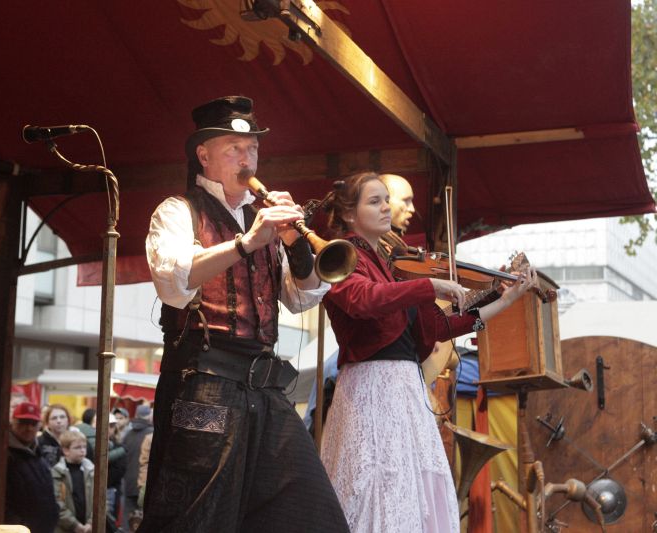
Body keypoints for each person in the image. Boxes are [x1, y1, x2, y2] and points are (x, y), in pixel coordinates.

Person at [141, 95, 349, 532]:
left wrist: (295, 244)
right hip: (204, 383)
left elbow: (302, 297)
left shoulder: (263, 220)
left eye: (252, 148)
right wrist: (245, 242)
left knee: (313, 515)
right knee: (197, 518)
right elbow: (173, 282)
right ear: (204, 155)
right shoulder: (178, 211)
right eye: (234, 148)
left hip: (265, 386)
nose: (246, 158)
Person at [319, 171, 538, 532]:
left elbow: (438, 329)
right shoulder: (341, 255)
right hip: (372, 389)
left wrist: (503, 300)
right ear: (348, 214)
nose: (386, 207)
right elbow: (363, 300)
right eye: (374, 201)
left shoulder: (390, 266)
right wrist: (429, 285)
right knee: (377, 489)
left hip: (405, 390)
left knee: (409, 492)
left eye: (385, 200)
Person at [5, 401, 60, 533]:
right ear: (13, 422)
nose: (29, 428)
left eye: (33, 423)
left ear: (39, 426)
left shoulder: (37, 454)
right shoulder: (5, 456)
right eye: (23, 422)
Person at [52, 430, 94, 533]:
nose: (82, 450)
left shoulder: (92, 471)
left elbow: (101, 498)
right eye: (77, 447)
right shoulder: (57, 472)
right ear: (66, 450)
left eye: (84, 447)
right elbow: (56, 502)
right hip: (65, 528)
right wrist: (74, 525)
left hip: (89, 527)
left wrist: (91, 522)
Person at [121, 404, 153, 530]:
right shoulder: (152, 434)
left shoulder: (128, 434)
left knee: (129, 520)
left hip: (129, 481)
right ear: (149, 416)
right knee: (144, 520)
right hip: (145, 484)